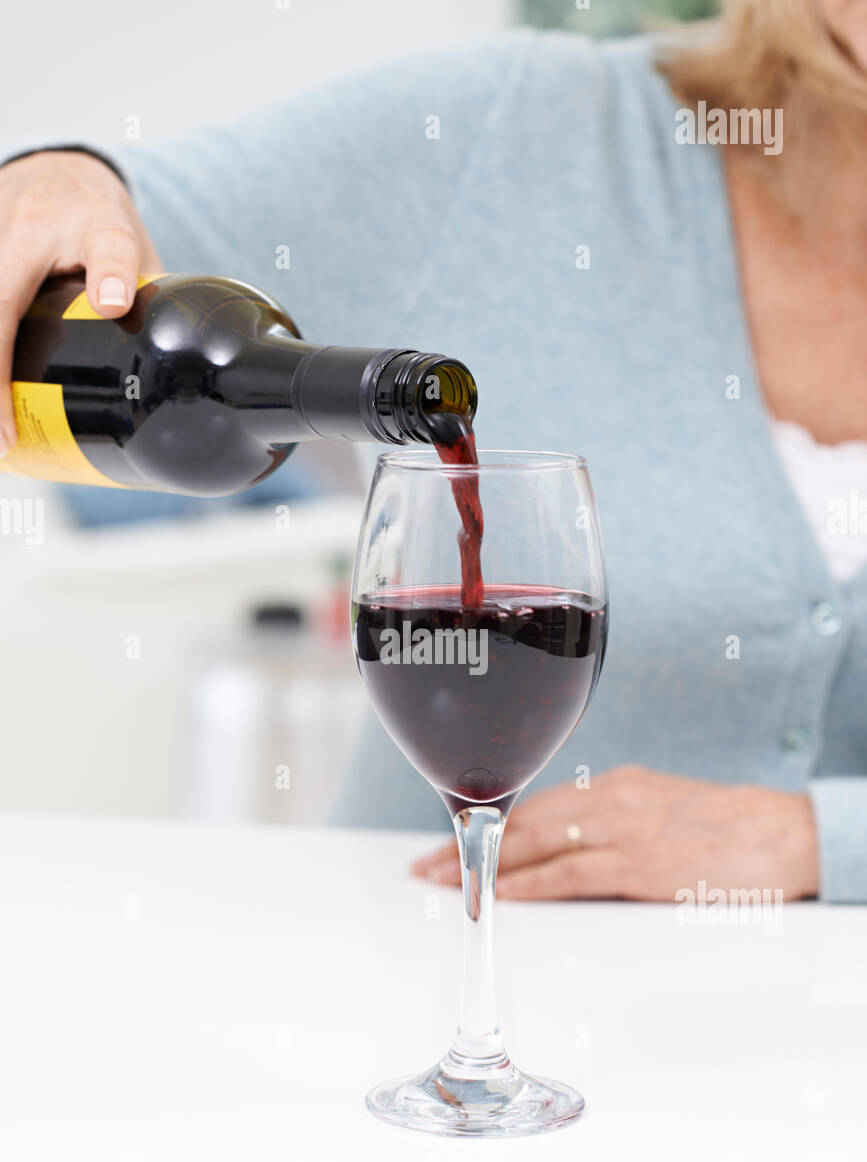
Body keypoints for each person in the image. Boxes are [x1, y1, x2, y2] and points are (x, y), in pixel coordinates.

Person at [0, 0, 865, 902]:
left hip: (817, 1039)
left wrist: (821, 841)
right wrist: (51, 176)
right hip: (395, 992)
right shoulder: (516, 133)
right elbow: (98, 222)